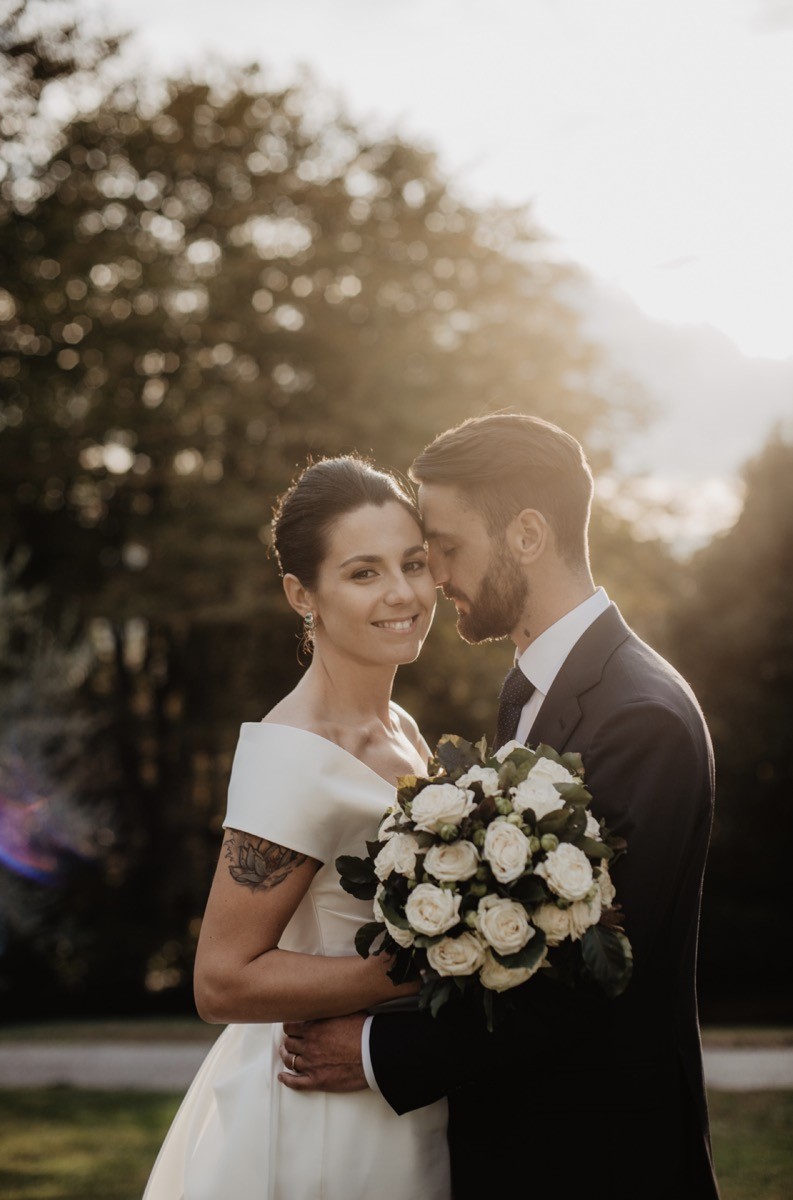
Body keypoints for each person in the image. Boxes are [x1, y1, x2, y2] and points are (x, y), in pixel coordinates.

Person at [279, 414, 721, 1200]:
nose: (431, 577)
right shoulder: (533, 689)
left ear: (524, 534)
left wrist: (383, 1053)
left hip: (603, 1157)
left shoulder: (637, 714)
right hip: (523, 1149)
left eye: (443, 547)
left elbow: (591, 978)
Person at [143, 456, 451, 1200]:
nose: (403, 593)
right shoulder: (295, 752)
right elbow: (221, 979)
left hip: (400, 1094)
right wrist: (412, 973)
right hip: (326, 1116)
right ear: (300, 594)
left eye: (412, 563)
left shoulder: (401, 727)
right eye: (363, 573)